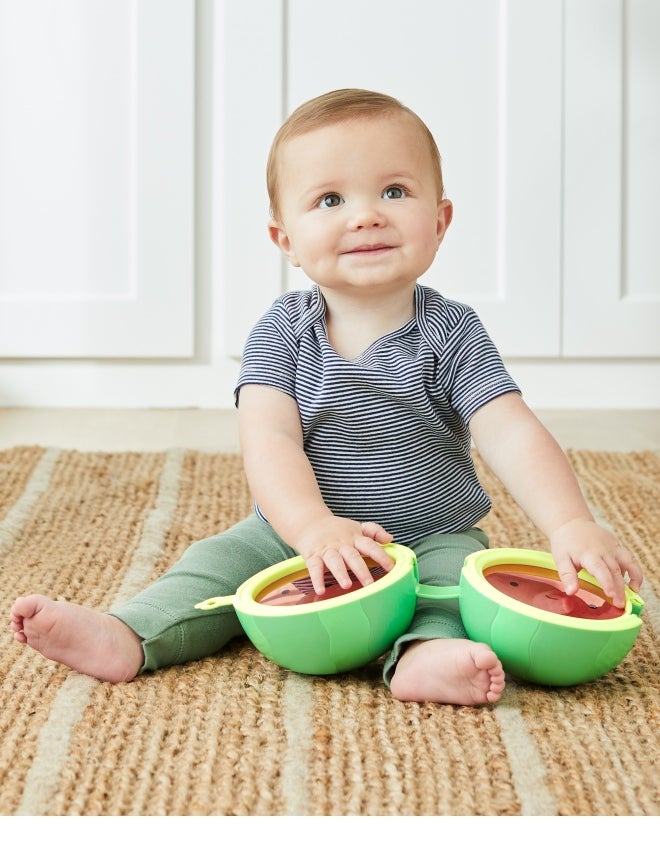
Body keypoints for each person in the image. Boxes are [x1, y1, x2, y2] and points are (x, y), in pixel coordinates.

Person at [10, 88, 643, 706]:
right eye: (330, 199)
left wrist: (569, 522)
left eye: (394, 191)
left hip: (428, 533)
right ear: (284, 239)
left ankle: (423, 657)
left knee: (456, 585)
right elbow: (269, 439)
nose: (365, 214)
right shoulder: (283, 332)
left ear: (441, 221)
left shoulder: (451, 333)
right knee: (214, 565)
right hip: (292, 533)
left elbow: (511, 431)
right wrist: (311, 530)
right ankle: (130, 633)